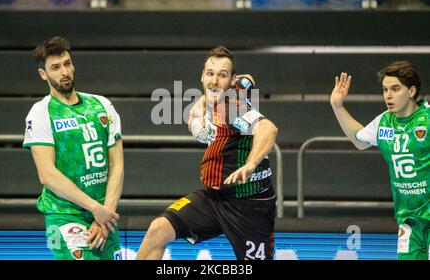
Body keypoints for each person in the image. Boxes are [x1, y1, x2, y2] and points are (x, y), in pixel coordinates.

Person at [136, 46, 278, 260]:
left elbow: (268, 128)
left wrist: (250, 164)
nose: (214, 80)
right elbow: (247, 80)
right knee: (158, 231)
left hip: (251, 205)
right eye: (210, 74)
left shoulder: (233, 108)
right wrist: (203, 102)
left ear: (231, 81)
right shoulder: (210, 104)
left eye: (222, 75)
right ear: (202, 76)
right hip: (215, 197)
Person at [23, 36, 124, 260]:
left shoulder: (102, 105)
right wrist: (95, 209)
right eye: (56, 67)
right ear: (43, 74)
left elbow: (117, 166)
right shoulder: (41, 113)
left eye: (67, 64)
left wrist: (104, 212)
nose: (64, 72)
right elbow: (47, 175)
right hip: (64, 215)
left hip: (104, 213)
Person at [330, 61, 429, 260]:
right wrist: (337, 106)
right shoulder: (384, 122)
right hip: (409, 220)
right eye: (385, 90)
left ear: (411, 91)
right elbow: (359, 140)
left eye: (395, 89)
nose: (388, 95)